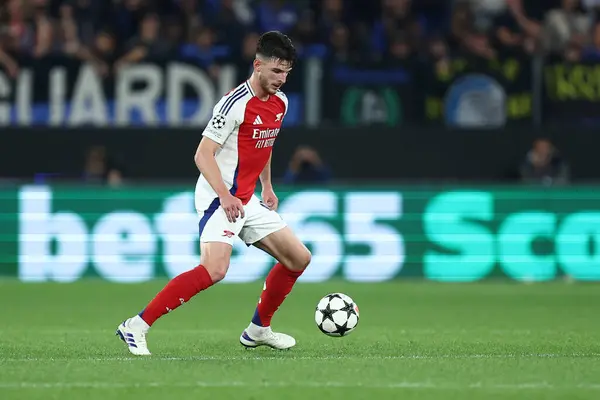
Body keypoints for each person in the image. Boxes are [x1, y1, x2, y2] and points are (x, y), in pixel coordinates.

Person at [115, 31, 311, 356]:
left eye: (286, 72)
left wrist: (267, 185)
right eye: (276, 71)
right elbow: (202, 154)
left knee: (298, 258)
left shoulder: (280, 103)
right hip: (218, 196)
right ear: (257, 65)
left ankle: (258, 329)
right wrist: (225, 195)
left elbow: (263, 144)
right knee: (215, 269)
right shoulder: (235, 103)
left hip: (246, 198)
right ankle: (136, 325)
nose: (282, 79)